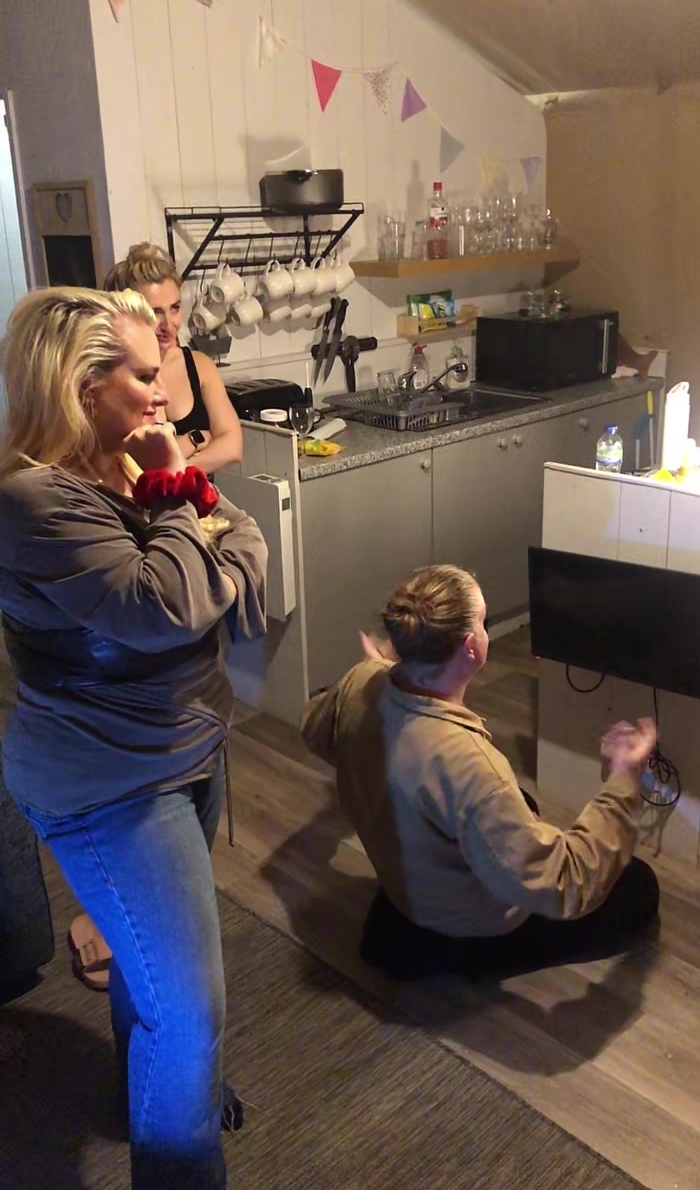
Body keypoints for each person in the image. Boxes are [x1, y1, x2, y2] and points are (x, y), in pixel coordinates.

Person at [0, 286, 268, 1189]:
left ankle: (151, 1089)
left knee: (149, 970)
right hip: (107, 781)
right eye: (146, 376)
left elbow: (247, 540)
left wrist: (191, 530)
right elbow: (164, 608)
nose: (164, 393)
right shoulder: (31, 499)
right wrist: (187, 509)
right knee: (190, 1013)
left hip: (182, 747)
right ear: (83, 386)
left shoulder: (124, 468)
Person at [301, 564, 659, 982]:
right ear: (472, 647)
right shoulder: (471, 766)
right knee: (639, 886)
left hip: (406, 884)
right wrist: (623, 780)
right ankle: (450, 952)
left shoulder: (362, 679)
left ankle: (405, 931)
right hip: (469, 928)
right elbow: (564, 883)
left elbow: (316, 731)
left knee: (520, 803)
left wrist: (376, 676)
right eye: (484, 622)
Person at [105, 242, 243, 474]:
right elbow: (128, 463)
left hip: (199, 497)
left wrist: (174, 472)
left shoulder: (200, 366)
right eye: (155, 312)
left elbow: (233, 447)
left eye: (175, 308)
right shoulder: (115, 375)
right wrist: (195, 439)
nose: (168, 325)